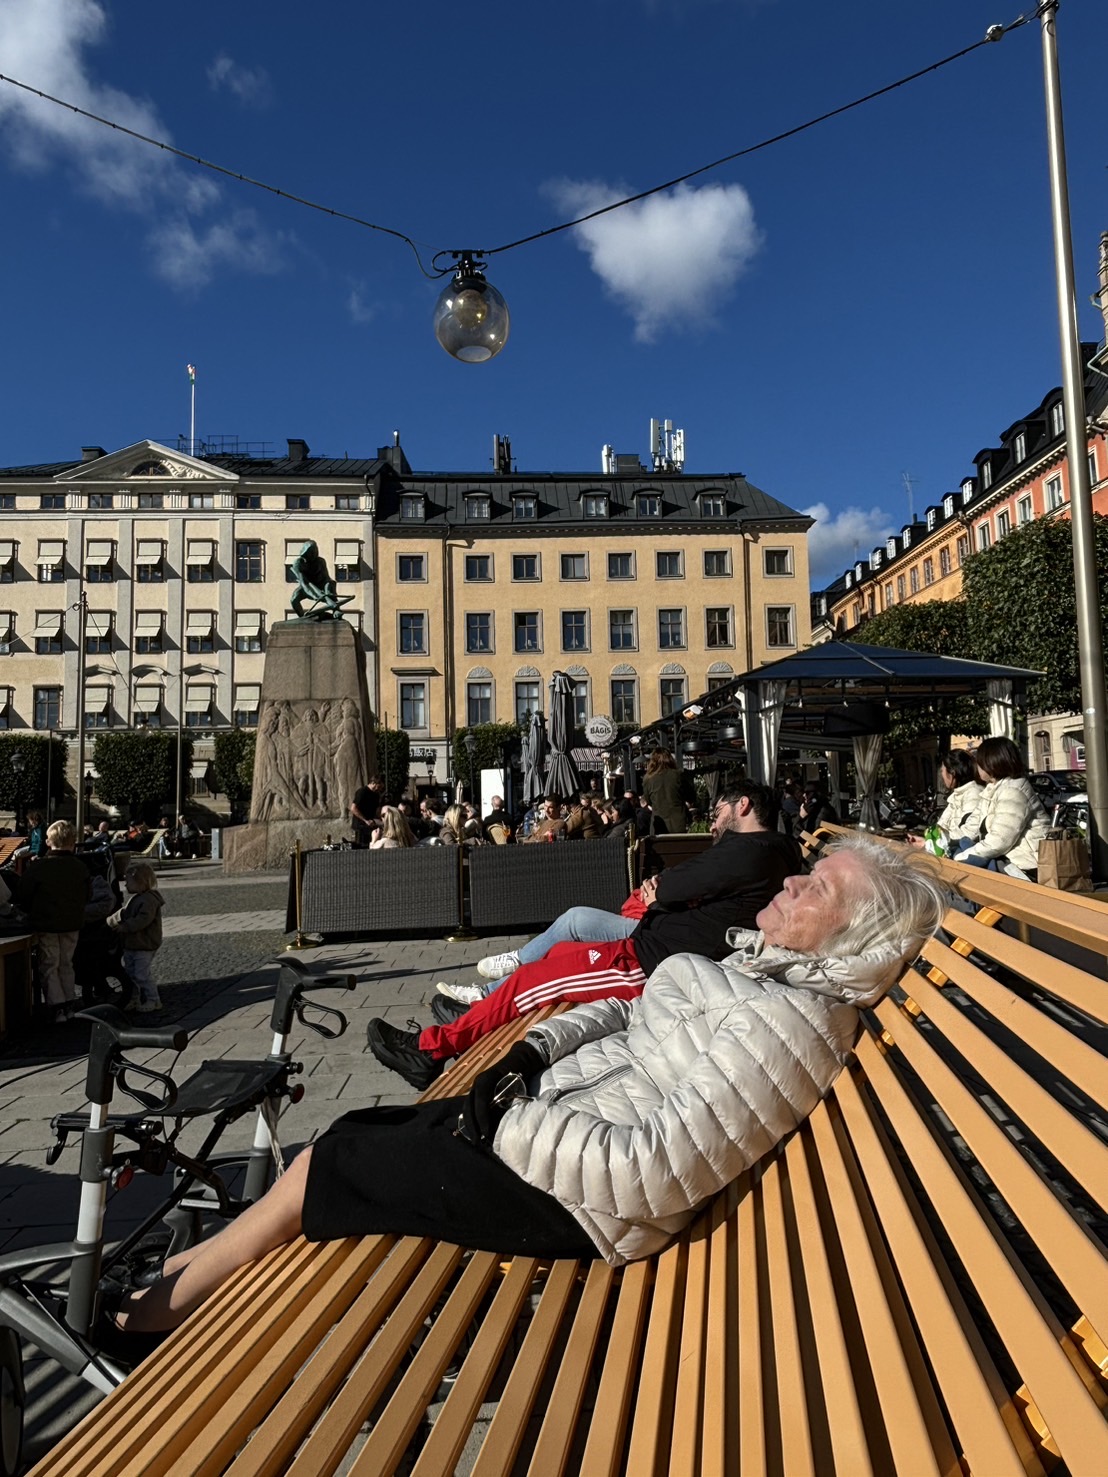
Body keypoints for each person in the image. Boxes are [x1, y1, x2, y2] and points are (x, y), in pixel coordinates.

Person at [107, 836, 945, 1336]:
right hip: (554, 1133)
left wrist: (507, 1120)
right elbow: (627, 1014)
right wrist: (531, 1054)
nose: (792, 883)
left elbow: (651, 1172)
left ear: (848, 939)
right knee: (362, 1129)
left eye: (818, 888)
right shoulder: (776, 976)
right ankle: (185, 1284)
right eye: (807, 872)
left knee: (336, 1157)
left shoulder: (791, 1022)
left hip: (580, 1202)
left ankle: (158, 1310)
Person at [373, 783, 803, 1080]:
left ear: (742, 805)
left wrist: (666, 893)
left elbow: (675, 884)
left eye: (720, 810)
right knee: (556, 955)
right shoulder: (760, 853)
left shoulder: (749, 851)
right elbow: (680, 886)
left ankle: (430, 1050)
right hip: (647, 949)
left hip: (645, 966)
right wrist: (665, 894)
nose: (714, 818)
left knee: (530, 979)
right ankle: (471, 1017)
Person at [8, 820, 90, 1023]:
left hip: (46, 923)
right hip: (72, 923)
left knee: (49, 964)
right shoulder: (80, 867)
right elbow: (88, 894)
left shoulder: (40, 866)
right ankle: (70, 1001)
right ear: (73, 842)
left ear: (48, 841)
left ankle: (57, 1005)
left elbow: (23, 894)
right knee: (66, 963)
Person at [956, 737, 1052, 881]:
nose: (977, 765)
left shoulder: (1014, 791)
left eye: (979, 761)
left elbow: (1000, 840)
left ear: (992, 762)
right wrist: (945, 842)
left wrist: (961, 857)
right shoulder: (991, 789)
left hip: (1026, 867)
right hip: (1007, 861)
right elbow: (972, 827)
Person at [108, 861, 166, 1012]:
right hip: (132, 944)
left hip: (144, 945)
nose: (125, 885)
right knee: (130, 975)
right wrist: (110, 921)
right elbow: (124, 912)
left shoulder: (148, 900)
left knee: (141, 975)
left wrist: (125, 927)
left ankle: (154, 999)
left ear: (140, 882)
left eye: (128, 882)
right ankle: (133, 998)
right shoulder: (136, 898)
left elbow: (142, 920)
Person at [908, 750, 983, 857]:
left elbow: (969, 834)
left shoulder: (973, 794)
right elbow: (941, 828)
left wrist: (931, 843)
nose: (942, 775)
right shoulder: (957, 795)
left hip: (962, 857)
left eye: (942, 770)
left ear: (952, 773)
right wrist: (927, 841)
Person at [642, 749, 689, 834]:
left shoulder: (648, 778)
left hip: (658, 823)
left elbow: (648, 800)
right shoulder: (678, 775)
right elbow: (690, 795)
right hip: (678, 822)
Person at [350, 777, 385, 847]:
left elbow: (376, 810)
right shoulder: (362, 792)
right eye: (379, 786)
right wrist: (365, 820)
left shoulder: (376, 795)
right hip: (361, 826)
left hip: (371, 825)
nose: (380, 789)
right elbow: (353, 808)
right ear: (373, 783)